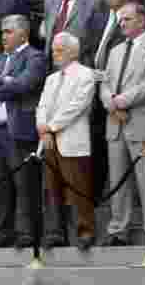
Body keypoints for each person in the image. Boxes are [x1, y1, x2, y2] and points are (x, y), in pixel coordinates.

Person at [100, 1, 145, 246]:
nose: (122, 24)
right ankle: (119, 229)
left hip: (142, 122)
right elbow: (104, 82)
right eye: (120, 20)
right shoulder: (116, 50)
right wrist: (110, 102)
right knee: (118, 181)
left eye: (127, 19)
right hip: (116, 124)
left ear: (141, 20)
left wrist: (120, 101)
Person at [0, 15, 46, 248]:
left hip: (18, 130)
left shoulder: (35, 57)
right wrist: (4, 80)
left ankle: (27, 232)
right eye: (2, 32)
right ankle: (1, 232)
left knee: (24, 183)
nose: (3, 36)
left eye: (8, 32)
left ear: (23, 34)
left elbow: (25, 83)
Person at [37, 33, 96, 250]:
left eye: (59, 50)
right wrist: (43, 128)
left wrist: (51, 127)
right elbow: (42, 106)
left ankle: (85, 231)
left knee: (78, 189)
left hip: (72, 141)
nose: (54, 53)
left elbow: (77, 107)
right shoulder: (51, 78)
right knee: (51, 189)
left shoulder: (85, 75)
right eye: (53, 49)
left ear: (72, 51)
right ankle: (55, 233)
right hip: (49, 142)